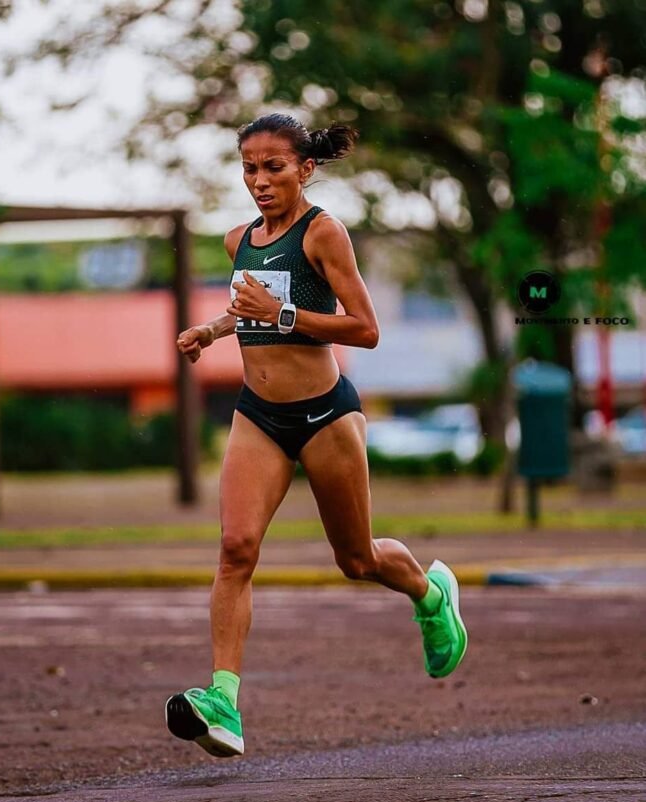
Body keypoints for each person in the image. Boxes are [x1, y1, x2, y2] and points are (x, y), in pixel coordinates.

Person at [165, 113, 467, 758]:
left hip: (326, 413)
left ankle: (429, 591)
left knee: (356, 560)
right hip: (259, 415)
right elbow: (251, 307)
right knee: (236, 548)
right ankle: (223, 700)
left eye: (274, 167)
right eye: (249, 168)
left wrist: (281, 315)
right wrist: (213, 331)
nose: (260, 180)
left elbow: (364, 328)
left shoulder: (324, 233)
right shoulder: (236, 239)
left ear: (305, 168)